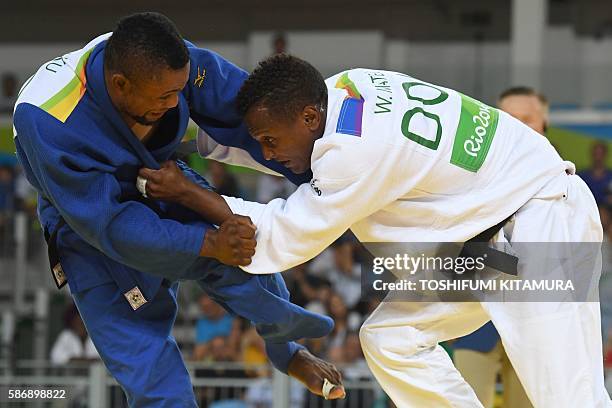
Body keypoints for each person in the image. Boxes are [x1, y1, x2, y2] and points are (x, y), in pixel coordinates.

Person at [142, 54, 610, 407]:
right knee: (392, 338)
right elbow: (270, 144)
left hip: (540, 220)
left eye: (270, 142)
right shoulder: (347, 88)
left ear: (308, 118)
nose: (267, 154)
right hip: (486, 244)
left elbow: (284, 237)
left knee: (569, 397)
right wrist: (181, 138)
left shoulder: (352, 152)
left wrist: (187, 191)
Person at [12, 15, 345, 406]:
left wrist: (325, 177)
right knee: (153, 375)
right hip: (86, 227)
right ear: (120, 86)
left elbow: (253, 114)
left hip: (159, 176)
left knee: (245, 250)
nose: (175, 103)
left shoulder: (172, 63)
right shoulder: (48, 121)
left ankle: (286, 350)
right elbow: (114, 226)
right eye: (163, 98)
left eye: (179, 91)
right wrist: (208, 242)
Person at [451, 86, 548, 408]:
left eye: (527, 118)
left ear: (544, 122)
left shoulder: (565, 179)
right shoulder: (468, 175)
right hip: (476, 318)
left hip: (536, 322)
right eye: (509, 118)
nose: (518, 125)